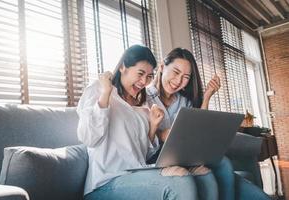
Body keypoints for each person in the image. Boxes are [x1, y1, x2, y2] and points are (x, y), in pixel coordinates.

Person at [77, 45, 213, 200]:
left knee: (205, 177)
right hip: (105, 181)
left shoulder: (142, 105)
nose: (144, 81)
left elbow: (145, 154)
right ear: (123, 67)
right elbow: (89, 138)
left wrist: (153, 126)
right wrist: (105, 95)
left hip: (138, 173)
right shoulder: (99, 90)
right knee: (180, 183)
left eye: (149, 76)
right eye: (140, 73)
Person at [146, 47, 271, 200]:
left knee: (224, 163)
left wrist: (206, 97)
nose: (179, 81)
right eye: (176, 72)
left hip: (184, 155)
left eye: (186, 77)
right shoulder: (145, 96)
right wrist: (160, 133)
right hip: (157, 158)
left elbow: (199, 127)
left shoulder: (183, 101)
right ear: (162, 67)